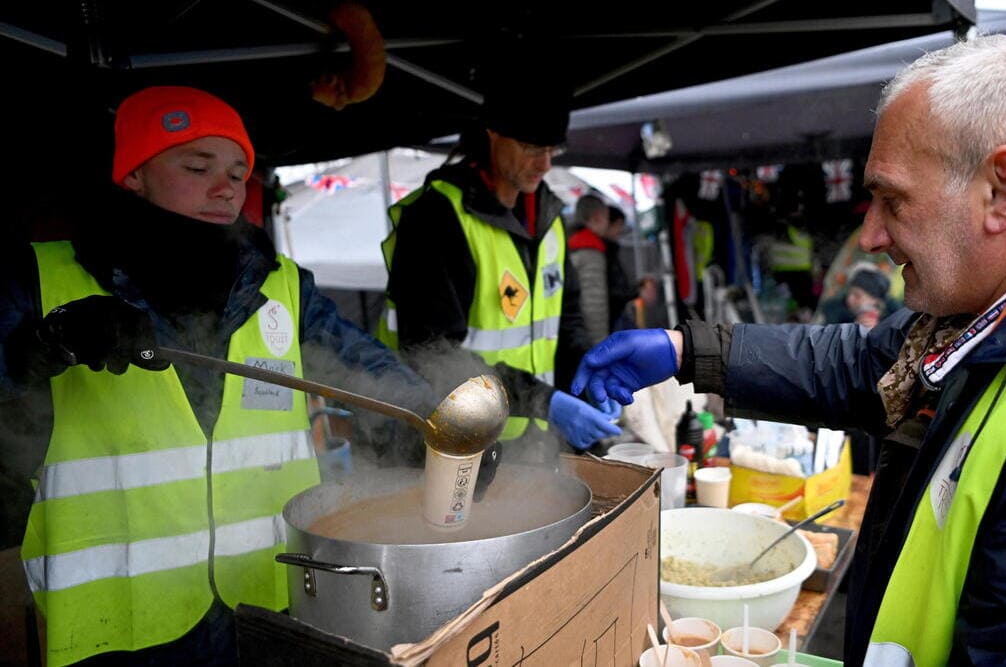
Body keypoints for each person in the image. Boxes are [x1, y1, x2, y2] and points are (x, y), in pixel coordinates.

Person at [572, 35, 1006, 664]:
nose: (870, 235)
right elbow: (871, 365)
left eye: (892, 199)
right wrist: (689, 350)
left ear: (1002, 191)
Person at [0, 86, 437, 666]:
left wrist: (435, 422)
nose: (226, 185)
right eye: (197, 166)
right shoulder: (40, 276)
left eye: (238, 170)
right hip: (119, 622)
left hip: (266, 596)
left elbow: (368, 372)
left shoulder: (279, 284)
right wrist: (45, 343)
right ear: (133, 175)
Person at [377, 74, 619, 458]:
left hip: (529, 443)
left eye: (552, 149)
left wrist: (589, 377)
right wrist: (546, 401)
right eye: (529, 147)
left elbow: (566, 319)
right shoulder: (438, 218)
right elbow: (434, 354)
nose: (543, 164)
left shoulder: (548, 216)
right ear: (491, 133)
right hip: (451, 444)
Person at [568, 196, 636, 344]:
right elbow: (594, 305)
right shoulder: (591, 249)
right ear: (598, 217)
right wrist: (599, 345)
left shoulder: (565, 242)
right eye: (606, 218)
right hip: (586, 338)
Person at [814, 263, 900, 330]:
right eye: (849, 293)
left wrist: (880, 329)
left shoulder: (894, 316)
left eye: (857, 296)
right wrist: (852, 329)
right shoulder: (834, 310)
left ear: (875, 300)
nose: (849, 298)